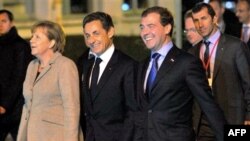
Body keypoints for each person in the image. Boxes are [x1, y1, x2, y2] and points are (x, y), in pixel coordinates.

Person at [136, 6, 226, 141]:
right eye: (142, 27)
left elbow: (208, 105)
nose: (145, 32)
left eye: (151, 26)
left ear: (167, 28)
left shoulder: (187, 63)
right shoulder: (142, 65)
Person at [190, 2, 250, 141]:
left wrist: (249, 116)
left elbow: (248, 83)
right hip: (203, 123)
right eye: (196, 20)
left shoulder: (235, 47)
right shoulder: (193, 52)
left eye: (204, 18)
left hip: (232, 119)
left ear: (214, 18)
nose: (200, 24)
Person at [77, 12, 138, 141]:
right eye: (87, 35)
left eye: (96, 33)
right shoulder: (84, 64)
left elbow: (132, 113)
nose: (91, 40)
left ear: (110, 32)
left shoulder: (128, 66)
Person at [17, 21, 80, 141]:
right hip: (31, 135)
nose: (31, 40)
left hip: (56, 135)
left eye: (37, 37)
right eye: (32, 36)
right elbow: (28, 105)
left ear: (51, 43)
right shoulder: (32, 65)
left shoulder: (65, 65)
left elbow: (72, 108)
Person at [0, 9, 32, 141]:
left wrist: (4, 104)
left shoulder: (20, 46)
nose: (0, 25)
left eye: (3, 21)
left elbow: (19, 78)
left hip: (16, 109)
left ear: (11, 23)